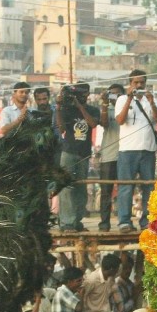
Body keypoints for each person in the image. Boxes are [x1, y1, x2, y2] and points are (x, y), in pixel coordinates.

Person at [114, 70, 157, 232]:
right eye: (136, 83)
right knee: (126, 187)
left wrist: (152, 102)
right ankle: (124, 221)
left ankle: (146, 221)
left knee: (148, 187)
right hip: (128, 149)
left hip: (148, 149)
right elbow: (120, 120)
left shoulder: (150, 100)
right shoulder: (121, 99)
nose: (139, 85)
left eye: (142, 83)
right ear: (130, 83)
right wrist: (129, 99)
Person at [56, 84, 99, 233]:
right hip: (68, 152)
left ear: (87, 94)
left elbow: (92, 124)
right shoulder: (67, 109)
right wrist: (58, 107)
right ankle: (67, 223)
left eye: (83, 94)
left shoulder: (93, 109)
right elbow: (61, 129)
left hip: (84, 153)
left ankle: (77, 221)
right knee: (66, 187)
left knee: (81, 188)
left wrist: (80, 107)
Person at [96, 83, 123, 232]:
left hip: (125, 155)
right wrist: (105, 104)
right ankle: (104, 223)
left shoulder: (128, 108)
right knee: (106, 191)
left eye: (117, 94)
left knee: (124, 190)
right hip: (108, 155)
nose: (115, 97)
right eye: (111, 94)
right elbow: (104, 123)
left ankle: (123, 221)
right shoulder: (107, 109)